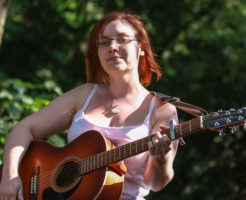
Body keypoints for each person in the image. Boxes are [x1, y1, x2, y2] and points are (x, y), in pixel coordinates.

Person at [0, 11, 178, 200]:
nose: (112, 47)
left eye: (122, 39)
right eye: (104, 42)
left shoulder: (162, 110)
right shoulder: (84, 95)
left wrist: (161, 158)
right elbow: (24, 128)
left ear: (141, 47)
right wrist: (10, 177)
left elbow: (155, 184)